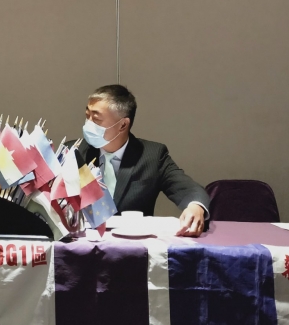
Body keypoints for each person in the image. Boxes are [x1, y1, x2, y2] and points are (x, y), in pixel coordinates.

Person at [77, 84, 210, 237]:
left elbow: (189, 189)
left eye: (96, 118)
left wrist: (195, 206)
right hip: (83, 241)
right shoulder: (75, 152)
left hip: (135, 242)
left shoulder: (152, 156)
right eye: (87, 116)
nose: (88, 123)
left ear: (123, 125)